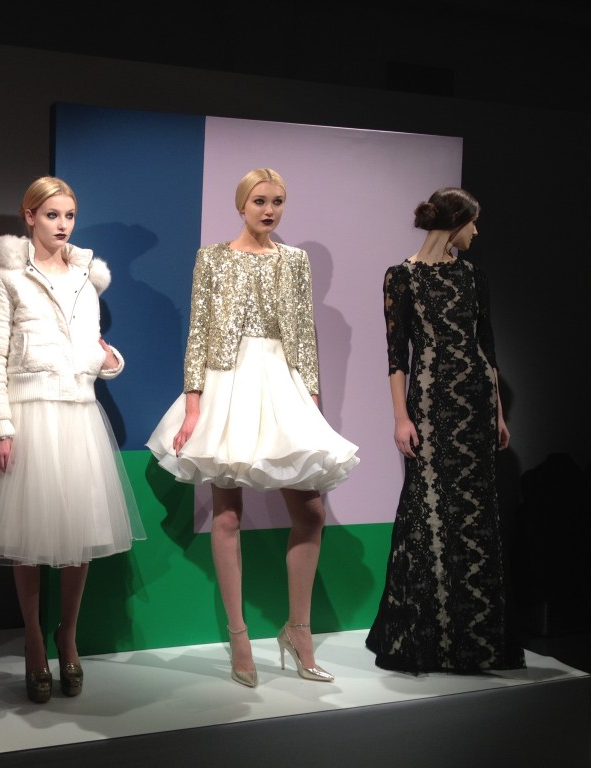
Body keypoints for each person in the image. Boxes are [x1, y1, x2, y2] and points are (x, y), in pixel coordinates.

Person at [147, 168, 359, 688]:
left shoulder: (295, 260)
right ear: (242, 203)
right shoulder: (212, 258)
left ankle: (298, 631)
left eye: (278, 201)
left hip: (281, 382)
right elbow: (199, 330)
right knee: (227, 515)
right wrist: (193, 403)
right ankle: (239, 638)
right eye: (260, 201)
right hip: (227, 382)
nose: (269, 210)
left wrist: (311, 402)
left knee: (310, 511)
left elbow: (303, 334)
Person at [0, 176, 144, 703]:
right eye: (52, 214)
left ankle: (67, 636)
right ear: (29, 216)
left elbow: (90, 345)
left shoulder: (86, 279)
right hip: (29, 414)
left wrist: (108, 359)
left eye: (69, 216)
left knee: (80, 533)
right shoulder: (5, 278)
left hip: (79, 414)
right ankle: (34, 640)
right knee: (28, 539)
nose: (62, 225)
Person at [365, 187, 525, 673]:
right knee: (427, 512)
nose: (477, 231)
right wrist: (401, 417)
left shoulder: (474, 276)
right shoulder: (401, 277)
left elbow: (487, 349)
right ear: (456, 222)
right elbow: (397, 357)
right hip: (430, 406)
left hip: (476, 405)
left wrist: (498, 413)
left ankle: (474, 641)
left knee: (475, 517)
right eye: (473, 222)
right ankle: (425, 638)